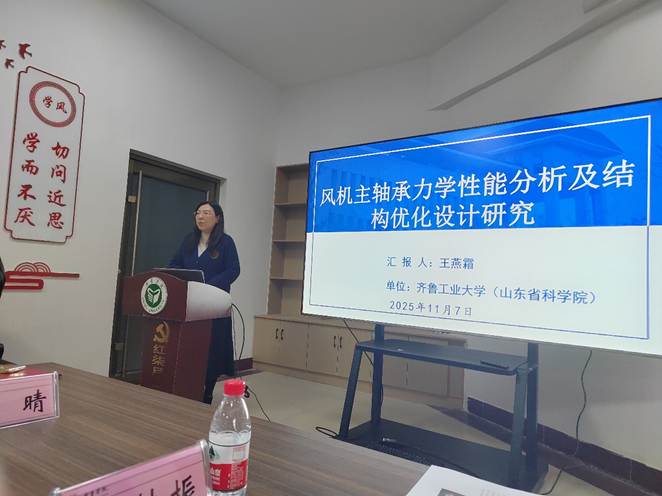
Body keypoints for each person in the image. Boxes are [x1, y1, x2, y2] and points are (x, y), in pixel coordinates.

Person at [169, 201, 240, 404]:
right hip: (190, 303)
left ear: (217, 218)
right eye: (198, 212)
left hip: (214, 305)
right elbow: (174, 263)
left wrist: (208, 285)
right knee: (192, 346)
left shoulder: (226, 242)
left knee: (212, 349)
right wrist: (181, 278)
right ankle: (187, 387)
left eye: (206, 213)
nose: (200, 216)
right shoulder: (189, 241)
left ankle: (208, 391)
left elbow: (233, 270)